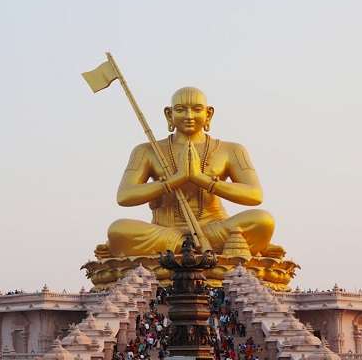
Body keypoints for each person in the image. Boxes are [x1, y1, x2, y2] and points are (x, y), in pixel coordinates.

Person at [97, 87, 282, 259]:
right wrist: (175, 180)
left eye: (196, 109)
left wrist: (200, 178)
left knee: (263, 221)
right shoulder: (146, 150)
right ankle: (199, 248)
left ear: (208, 113)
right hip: (166, 231)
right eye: (180, 109)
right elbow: (124, 196)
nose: (189, 116)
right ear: (169, 114)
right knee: (118, 230)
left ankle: (183, 249)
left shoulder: (231, 150)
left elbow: (255, 195)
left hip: (214, 228)